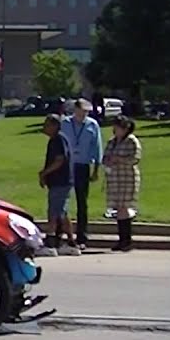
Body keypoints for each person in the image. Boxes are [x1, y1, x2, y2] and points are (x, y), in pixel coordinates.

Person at [60, 98, 102, 249]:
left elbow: (97, 147)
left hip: (83, 165)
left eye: (87, 112)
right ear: (75, 110)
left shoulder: (92, 125)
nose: (84, 114)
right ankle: (60, 234)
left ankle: (82, 236)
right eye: (82, 111)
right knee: (63, 201)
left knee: (82, 202)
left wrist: (96, 168)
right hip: (66, 165)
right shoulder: (65, 123)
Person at [39, 113, 80, 256]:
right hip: (63, 181)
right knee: (63, 213)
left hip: (60, 182)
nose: (44, 128)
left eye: (47, 125)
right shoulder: (58, 140)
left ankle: (50, 243)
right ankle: (70, 242)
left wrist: (44, 173)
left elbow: (59, 160)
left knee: (54, 212)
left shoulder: (58, 140)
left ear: (55, 126)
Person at [103, 115, 142, 252]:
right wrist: (107, 161)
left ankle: (126, 240)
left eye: (118, 127)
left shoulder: (132, 141)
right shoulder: (112, 142)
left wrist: (119, 159)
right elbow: (105, 157)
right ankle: (121, 239)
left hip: (127, 178)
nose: (115, 129)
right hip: (114, 179)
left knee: (123, 207)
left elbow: (135, 158)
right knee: (118, 208)